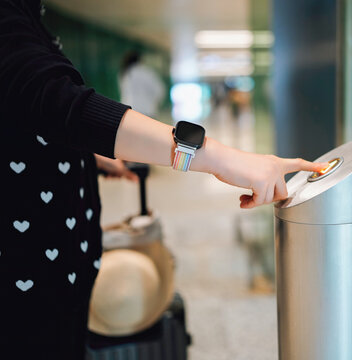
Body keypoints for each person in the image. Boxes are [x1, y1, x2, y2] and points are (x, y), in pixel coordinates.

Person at [0, 1, 327, 359]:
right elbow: (57, 102)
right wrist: (219, 157)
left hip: (55, 274)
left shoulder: (28, 11)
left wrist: (87, 156)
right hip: (25, 283)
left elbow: (23, 117)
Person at [118, 50, 165, 119]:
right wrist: (154, 104)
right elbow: (160, 90)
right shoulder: (146, 72)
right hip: (147, 112)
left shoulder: (124, 74)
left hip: (128, 112)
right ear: (139, 60)